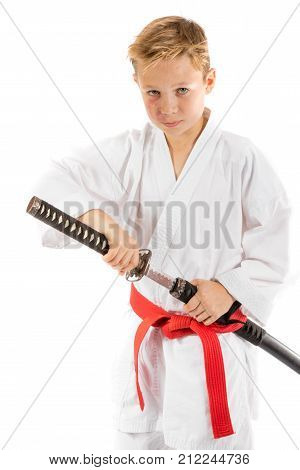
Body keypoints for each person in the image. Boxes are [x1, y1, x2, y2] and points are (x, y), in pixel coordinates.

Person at [31, 16, 291, 450]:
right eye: (152, 92)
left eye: (182, 90)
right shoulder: (128, 151)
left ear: (209, 80)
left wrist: (228, 288)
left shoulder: (240, 158)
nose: (167, 107)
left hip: (214, 352)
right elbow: (52, 184)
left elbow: (276, 245)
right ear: (136, 83)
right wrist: (100, 220)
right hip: (149, 345)